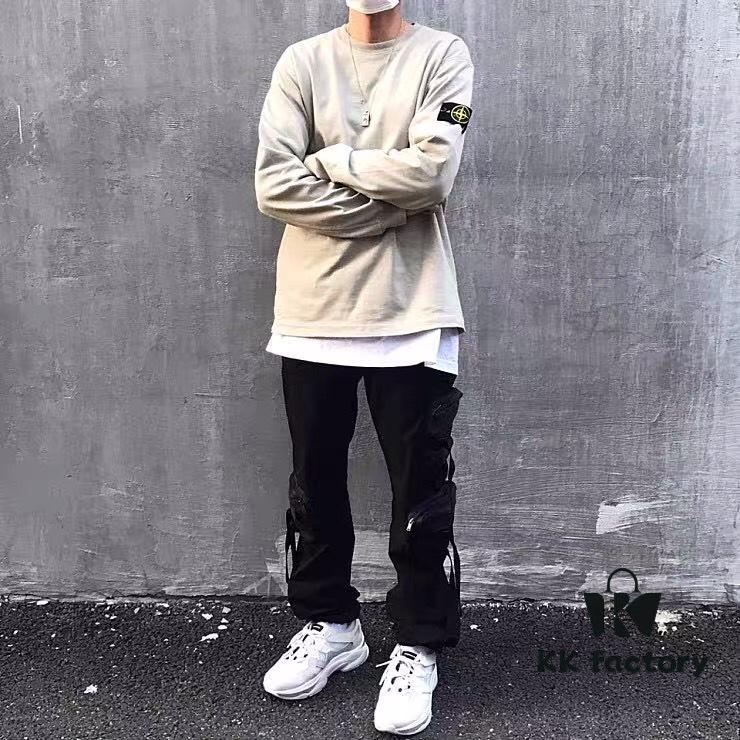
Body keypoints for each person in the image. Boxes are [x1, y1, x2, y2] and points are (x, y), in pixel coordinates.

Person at [253, 0, 474, 734]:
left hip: (413, 310)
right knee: (314, 480)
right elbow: (273, 185)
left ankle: (418, 642)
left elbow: (433, 174)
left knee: (421, 490)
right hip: (312, 313)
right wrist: (387, 208)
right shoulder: (301, 64)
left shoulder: (444, 56)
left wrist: (335, 162)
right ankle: (331, 627)